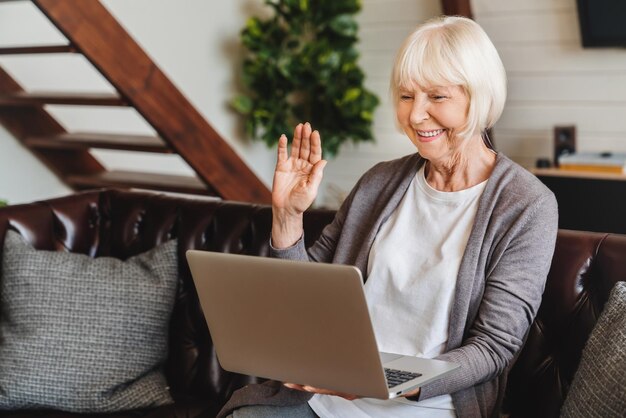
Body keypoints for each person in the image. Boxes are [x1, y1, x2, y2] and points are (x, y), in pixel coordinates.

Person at [220, 15, 558, 418]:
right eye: (406, 96)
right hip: (326, 399)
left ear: (478, 96)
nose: (416, 115)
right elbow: (304, 297)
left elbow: (493, 348)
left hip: (427, 409)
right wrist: (288, 216)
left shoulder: (526, 205)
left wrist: (379, 378)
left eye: (436, 96)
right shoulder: (379, 182)